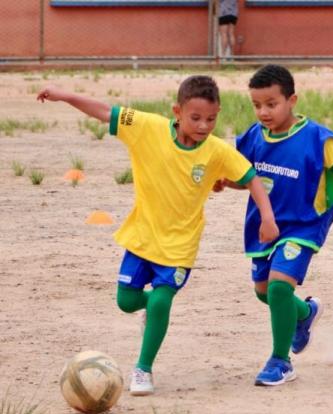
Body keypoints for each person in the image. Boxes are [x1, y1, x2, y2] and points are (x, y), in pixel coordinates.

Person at [36, 76, 278, 396]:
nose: (204, 126)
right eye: (195, 118)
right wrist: (63, 95)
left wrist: (267, 216)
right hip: (142, 238)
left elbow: (251, 178)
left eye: (211, 118)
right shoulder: (146, 127)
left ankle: (143, 368)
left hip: (180, 246)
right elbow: (104, 111)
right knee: (126, 302)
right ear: (177, 111)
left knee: (163, 299)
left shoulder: (217, 150)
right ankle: (151, 311)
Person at [214, 64, 333, 386]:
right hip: (265, 226)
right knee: (264, 293)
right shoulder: (252, 137)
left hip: (302, 227)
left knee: (278, 287)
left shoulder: (318, 139)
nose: (263, 112)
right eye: (257, 105)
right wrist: (224, 181)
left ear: (292, 100)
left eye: (271, 104)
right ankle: (305, 314)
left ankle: (281, 362)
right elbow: (245, 177)